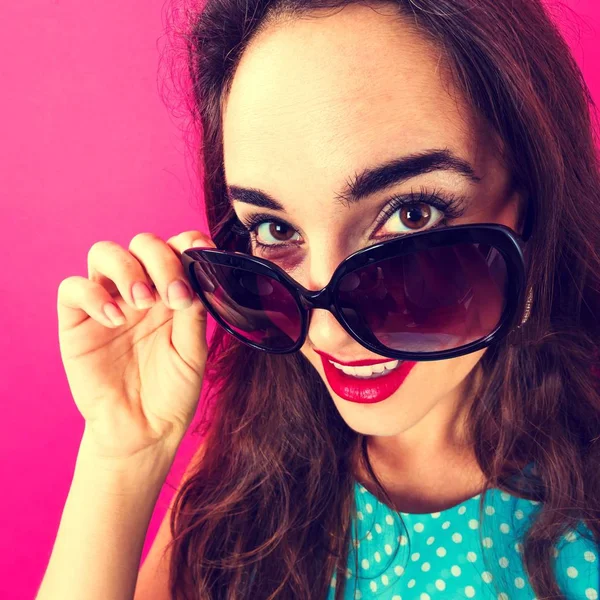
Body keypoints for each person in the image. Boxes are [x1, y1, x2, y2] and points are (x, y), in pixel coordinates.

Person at [36, 0, 600, 598]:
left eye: (411, 215)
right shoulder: (246, 462)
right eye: (277, 231)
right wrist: (124, 452)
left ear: (536, 205)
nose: (326, 333)